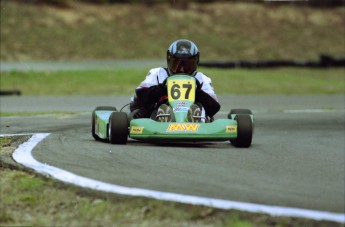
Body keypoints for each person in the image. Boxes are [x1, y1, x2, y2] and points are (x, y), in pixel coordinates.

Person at [130, 39, 220, 122]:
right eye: (177, 64)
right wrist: (162, 89)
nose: (181, 70)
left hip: (191, 111)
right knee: (156, 104)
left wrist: (197, 93)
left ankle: (194, 117)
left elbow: (214, 107)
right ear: (169, 60)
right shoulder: (157, 73)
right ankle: (164, 116)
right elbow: (141, 96)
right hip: (158, 110)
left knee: (199, 105)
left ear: (196, 62)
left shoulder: (201, 78)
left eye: (187, 65)